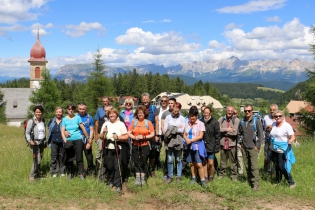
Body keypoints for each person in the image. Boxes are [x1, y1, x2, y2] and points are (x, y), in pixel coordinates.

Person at [99, 108, 129, 192]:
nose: (111, 115)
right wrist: (103, 132)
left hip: (117, 147)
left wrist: (118, 137)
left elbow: (126, 136)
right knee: (109, 166)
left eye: (113, 114)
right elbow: (101, 137)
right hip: (108, 147)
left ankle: (118, 184)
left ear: (116, 115)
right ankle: (111, 181)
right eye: (110, 114)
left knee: (117, 166)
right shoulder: (106, 124)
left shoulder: (121, 124)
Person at [238, 104, 264, 191]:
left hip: (253, 148)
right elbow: (239, 133)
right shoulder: (242, 121)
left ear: (252, 111)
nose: (247, 112)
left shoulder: (256, 121)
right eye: (245, 111)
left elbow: (260, 135)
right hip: (244, 147)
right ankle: (249, 180)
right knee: (247, 165)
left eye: (249, 111)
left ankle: (255, 184)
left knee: (254, 166)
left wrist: (257, 146)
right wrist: (240, 144)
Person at [61, 104, 90, 180]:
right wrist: (65, 141)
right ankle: (70, 173)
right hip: (69, 140)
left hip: (78, 139)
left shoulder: (77, 118)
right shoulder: (64, 119)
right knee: (69, 158)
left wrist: (88, 138)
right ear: (67, 110)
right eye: (69, 108)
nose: (71, 110)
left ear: (74, 110)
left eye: (72, 109)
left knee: (79, 157)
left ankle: (81, 173)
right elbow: (62, 131)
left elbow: (83, 128)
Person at [128, 105, 155, 186]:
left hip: (145, 144)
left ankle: (142, 178)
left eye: (142, 113)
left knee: (143, 161)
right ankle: (137, 178)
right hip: (135, 144)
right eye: (139, 113)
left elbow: (152, 133)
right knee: (136, 161)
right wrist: (134, 137)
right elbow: (129, 132)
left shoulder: (148, 122)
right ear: (137, 114)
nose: (140, 114)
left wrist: (144, 137)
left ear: (145, 113)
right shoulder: (134, 122)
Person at [270, 110, 296, 188]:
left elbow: (292, 136)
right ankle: (278, 181)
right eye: (276, 116)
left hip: (283, 149)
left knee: (282, 166)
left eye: (279, 116)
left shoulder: (286, 125)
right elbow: (273, 134)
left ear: (283, 116)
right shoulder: (274, 124)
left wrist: (290, 141)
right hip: (274, 148)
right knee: (277, 165)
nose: (278, 117)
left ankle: (291, 182)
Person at [183, 106, 207, 187]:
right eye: (190, 116)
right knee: (192, 163)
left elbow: (200, 136)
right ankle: (193, 178)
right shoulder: (187, 124)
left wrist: (191, 140)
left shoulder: (201, 124)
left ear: (197, 116)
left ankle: (203, 180)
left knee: (199, 164)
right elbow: (184, 134)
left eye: (193, 116)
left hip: (197, 146)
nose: (191, 118)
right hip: (188, 146)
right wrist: (186, 139)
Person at [163, 102, 186, 183]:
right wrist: (176, 128)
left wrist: (172, 128)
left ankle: (178, 176)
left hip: (178, 140)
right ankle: (170, 176)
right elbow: (166, 130)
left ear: (179, 109)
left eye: (177, 109)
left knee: (178, 159)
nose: (175, 110)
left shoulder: (182, 118)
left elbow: (182, 129)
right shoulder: (168, 117)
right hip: (169, 140)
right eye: (174, 108)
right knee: (169, 159)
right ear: (172, 108)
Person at [217, 106, 240, 181]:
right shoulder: (221, 119)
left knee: (233, 162)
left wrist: (223, 131)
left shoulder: (236, 120)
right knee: (222, 161)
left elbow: (235, 132)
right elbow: (217, 130)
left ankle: (234, 176)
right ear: (226, 111)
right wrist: (227, 129)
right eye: (228, 110)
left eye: (231, 111)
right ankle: (221, 174)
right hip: (223, 143)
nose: (229, 112)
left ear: (233, 112)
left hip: (232, 144)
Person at [25, 105, 46, 181]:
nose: (38, 113)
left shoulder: (43, 120)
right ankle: (31, 175)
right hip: (34, 143)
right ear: (34, 112)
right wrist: (29, 140)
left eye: (39, 112)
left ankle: (37, 174)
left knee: (40, 157)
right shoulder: (31, 121)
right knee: (36, 159)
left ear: (42, 113)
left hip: (41, 142)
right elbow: (27, 133)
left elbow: (44, 132)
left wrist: (45, 141)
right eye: (36, 112)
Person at [200, 106, 220, 182]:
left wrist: (217, 147)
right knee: (204, 162)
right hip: (202, 145)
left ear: (210, 113)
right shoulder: (200, 121)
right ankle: (205, 177)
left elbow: (218, 136)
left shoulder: (215, 122)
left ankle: (211, 176)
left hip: (211, 146)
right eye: (205, 113)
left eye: (207, 113)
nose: (206, 114)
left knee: (211, 163)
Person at [141, 93, 157, 177]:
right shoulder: (139, 109)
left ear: (149, 100)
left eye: (146, 99)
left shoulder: (154, 108)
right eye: (143, 99)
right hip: (141, 135)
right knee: (142, 153)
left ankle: (151, 170)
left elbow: (157, 122)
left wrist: (157, 134)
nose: (145, 101)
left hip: (151, 135)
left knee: (152, 153)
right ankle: (143, 169)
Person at [48, 106, 65, 177]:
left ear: (62, 113)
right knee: (53, 157)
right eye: (57, 112)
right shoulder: (52, 120)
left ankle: (62, 172)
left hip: (62, 142)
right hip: (54, 142)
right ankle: (54, 172)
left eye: (60, 112)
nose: (58, 113)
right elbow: (49, 130)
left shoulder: (65, 120)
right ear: (55, 112)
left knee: (62, 157)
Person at [77, 102, 95, 176]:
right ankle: (81, 171)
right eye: (80, 109)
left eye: (83, 109)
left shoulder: (89, 118)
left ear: (86, 109)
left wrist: (90, 141)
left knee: (89, 156)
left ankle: (90, 170)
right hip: (78, 139)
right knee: (79, 156)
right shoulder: (75, 117)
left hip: (87, 139)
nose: (82, 110)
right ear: (78, 109)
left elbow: (91, 130)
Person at [155, 96, 169, 176]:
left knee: (167, 150)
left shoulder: (169, 111)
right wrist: (156, 134)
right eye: (162, 101)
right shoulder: (157, 110)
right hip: (159, 133)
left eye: (165, 101)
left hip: (166, 134)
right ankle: (158, 164)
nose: (163, 102)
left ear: (167, 102)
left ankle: (167, 166)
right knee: (157, 150)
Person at [263, 104, 278, 173]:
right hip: (267, 139)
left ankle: (275, 171)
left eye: (273, 110)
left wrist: (273, 128)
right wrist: (266, 128)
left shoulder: (279, 117)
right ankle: (266, 170)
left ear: (276, 110)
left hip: (276, 140)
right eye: (271, 110)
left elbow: (283, 128)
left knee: (275, 156)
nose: (272, 111)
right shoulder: (266, 117)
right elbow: (262, 127)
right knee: (266, 155)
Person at [234, 108, 244, 175]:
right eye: (233, 113)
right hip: (231, 142)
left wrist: (240, 142)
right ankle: (234, 170)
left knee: (239, 157)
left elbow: (242, 133)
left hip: (238, 142)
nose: (234, 115)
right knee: (233, 158)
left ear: (237, 114)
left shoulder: (240, 122)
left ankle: (240, 172)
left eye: (235, 113)